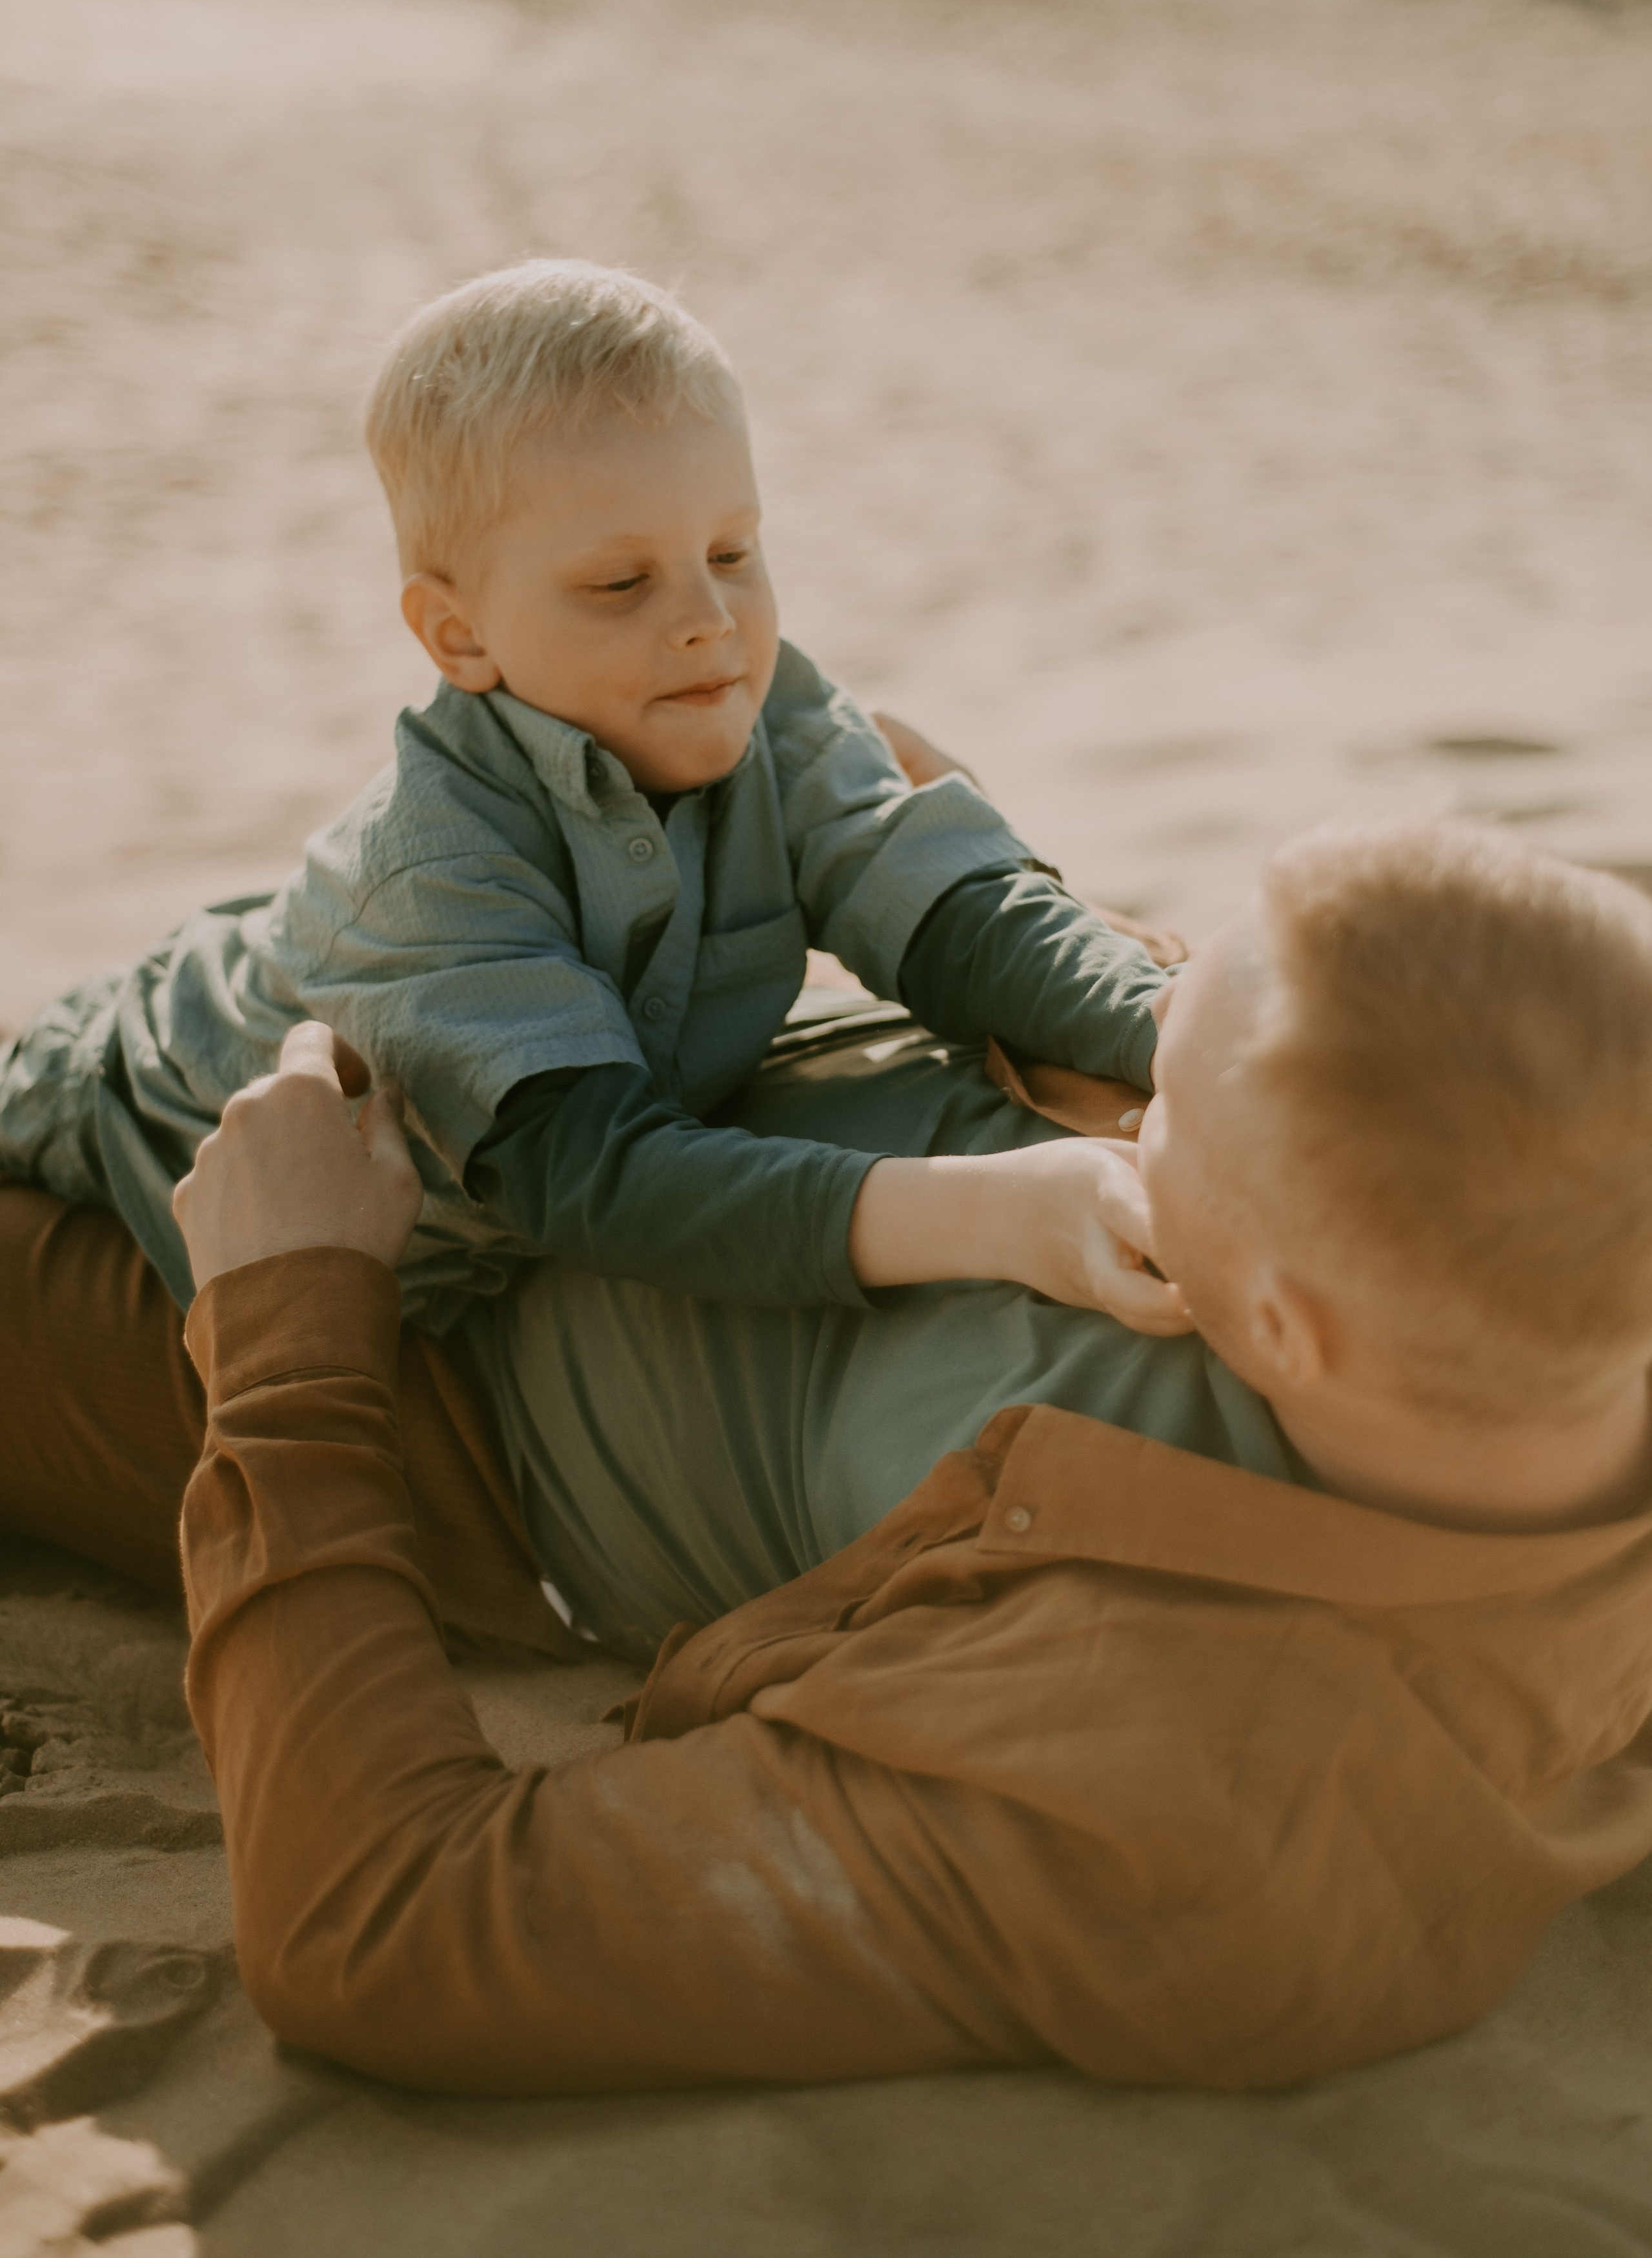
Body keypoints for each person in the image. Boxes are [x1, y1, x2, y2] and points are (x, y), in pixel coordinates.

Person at [9, 814, 1652, 2094]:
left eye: (1161, 1106)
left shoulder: (1179, 1796)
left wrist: (292, 1308)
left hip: (447, 1382)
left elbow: (382, 1931)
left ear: (1282, 1327)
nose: (1134, 1098)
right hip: (595, 1082)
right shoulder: (1527, 1251)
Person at [0, 259, 1178, 1335]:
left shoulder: (767, 708)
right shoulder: (432, 871)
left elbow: (963, 917)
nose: (708, 620)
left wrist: (1169, 1026)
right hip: (130, 1107)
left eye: (733, 553)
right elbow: (601, 1176)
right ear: (459, 634)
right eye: (622, 582)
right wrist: (996, 1210)